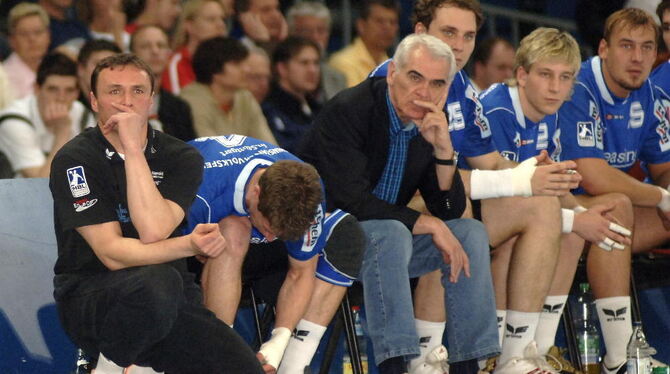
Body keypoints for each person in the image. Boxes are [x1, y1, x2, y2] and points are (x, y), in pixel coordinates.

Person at [368, 1, 581, 372]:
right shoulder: (393, 79)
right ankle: (424, 356)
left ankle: (515, 353)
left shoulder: (462, 89)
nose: (460, 45)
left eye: (468, 36)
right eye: (448, 33)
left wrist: (535, 172)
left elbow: (492, 163)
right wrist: (517, 179)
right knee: (452, 212)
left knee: (542, 204)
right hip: (383, 212)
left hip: (440, 200)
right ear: (420, 32)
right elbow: (413, 179)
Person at [299, 32, 503, 374]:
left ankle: (471, 362)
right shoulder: (350, 110)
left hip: (385, 244)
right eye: (414, 77)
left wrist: (443, 151)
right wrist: (428, 224)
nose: (424, 92)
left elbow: (449, 211)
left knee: (468, 231)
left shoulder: (427, 124)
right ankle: (395, 365)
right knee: (392, 232)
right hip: (324, 238)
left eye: (437, 84)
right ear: (392, 73)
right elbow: (351, 201)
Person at [49, 53, 265, 373]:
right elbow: (111, 254)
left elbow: (153, 228)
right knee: (156, 281)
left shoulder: (181, 156)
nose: (126, 102)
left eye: (138, 91)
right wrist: (190, 245)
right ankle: (109, 365)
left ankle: (135, 366)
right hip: (93, 296)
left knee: (242, 367)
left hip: (172, 298)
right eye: (114, 91)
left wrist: (133, 149)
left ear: (152, 100)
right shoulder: (75, 159)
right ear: (94, 101)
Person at [478, 27, 634, 366]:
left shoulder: (549, 115)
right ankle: (500, 356)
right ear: (521, 75)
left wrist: (581, 214)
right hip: (467, 216)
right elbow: (502, 197)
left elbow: (548, 185)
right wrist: (577, 219)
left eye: (565, 78)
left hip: (512, 213)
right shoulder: (496, 110)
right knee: (559, 223)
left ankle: (544, 349)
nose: (555, 87)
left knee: (605, 210)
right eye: (545, 75)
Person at [185, 134, 364, 374]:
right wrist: (192, 246)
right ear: (256, 193)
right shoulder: (202, 189)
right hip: (197, 242)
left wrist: (280, 338)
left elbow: (301, 273)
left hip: (258, 257)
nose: (270, 237)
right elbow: (161, 255)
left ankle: (293, 364)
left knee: (346, 231)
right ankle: (219, 355)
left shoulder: (307, 189)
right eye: (268, 228)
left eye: (276, 233)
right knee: (235, 228)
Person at [558, 8, 670, 373]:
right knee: (617, 204)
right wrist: (663, 197)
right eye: (626, 46)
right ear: (604, 48)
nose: (637, 58)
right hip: (558, 207)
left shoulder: (651, 93)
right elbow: (593, 176)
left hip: (602, 218)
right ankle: (620, 356)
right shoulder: (578, 86)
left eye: (647, 48)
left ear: (657, 53)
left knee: (619, 209)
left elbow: (663, 168)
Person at [0, 53, 85, 178]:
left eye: (69, 90)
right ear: (37, 89)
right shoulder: (14, 120)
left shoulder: (82, 114)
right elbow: (40, 184)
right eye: (53, 89)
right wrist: (62, 133)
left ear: (77, 93)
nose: (61, 99)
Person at [180, 36, 277, 144]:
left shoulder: (245, 97)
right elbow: (210, 150)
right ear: (215, 70)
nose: (247, 70)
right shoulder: (192, 100)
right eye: (237, 64)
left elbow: (269, 146)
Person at [131, 25, 196, 141]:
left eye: (161, 46)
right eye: (145, 46)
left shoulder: (179, 108)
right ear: (131, 55)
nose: (155, 51)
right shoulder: (119, 102)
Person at [262, 36, 321, 154]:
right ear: (282, 68)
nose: (312, 70)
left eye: (316, 63)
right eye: (304, 63)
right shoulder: (268, 110)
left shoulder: (319, 109)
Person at [286, 1, 347, 103]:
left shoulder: (337, 78)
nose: (315, 37)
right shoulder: (280, 75)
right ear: (291, 33)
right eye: (306, 31)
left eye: (321, 31)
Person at [329, 0, 399, 87]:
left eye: (392, 22)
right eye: (380, 21)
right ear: (361, 25)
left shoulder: (394, 65)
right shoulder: (343, 62)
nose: (388, 27)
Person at [162, 0, 227, 94]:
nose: (221, 25)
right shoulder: (176, 64)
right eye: (211, 19)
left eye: (223, 19)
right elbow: (179, 105)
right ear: (189, 26)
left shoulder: (228, 66)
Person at [4, 2, 51, 100]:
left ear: (48, 36)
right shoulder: (3, 78)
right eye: (24, 34)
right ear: (12, 40)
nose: (32, 39)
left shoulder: (55, 69)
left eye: (38, 32)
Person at [76, 39, 121, 130]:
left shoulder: (124, 107)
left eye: (113, 66)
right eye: (99, 64)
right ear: (81, 69)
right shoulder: (68, 103)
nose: (106, 72)